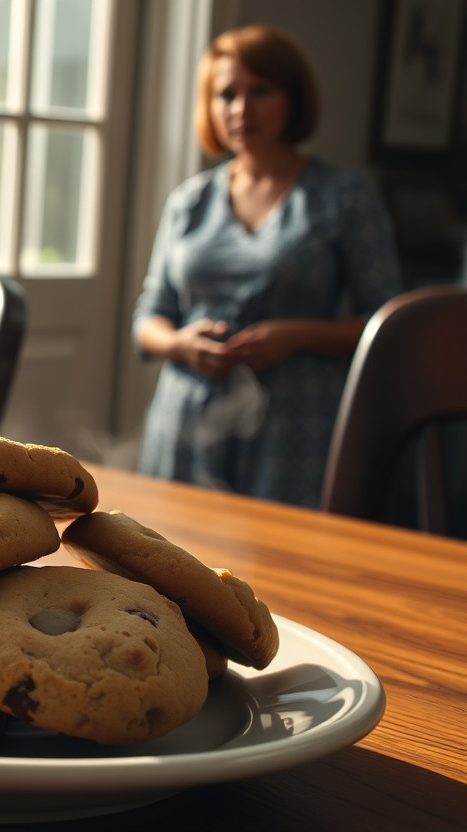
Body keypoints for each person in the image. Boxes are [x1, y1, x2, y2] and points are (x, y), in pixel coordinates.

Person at [132, 24, 402, 509]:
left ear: (293, 98)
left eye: (260, 90)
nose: (241, 109)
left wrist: (300, 334)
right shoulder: (189, 202)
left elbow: (390, 326)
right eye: (226, 95)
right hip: (187, 422)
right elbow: (149, 319)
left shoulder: (344, 197)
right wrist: (181, 344)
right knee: (168, 566)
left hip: (296, 429)